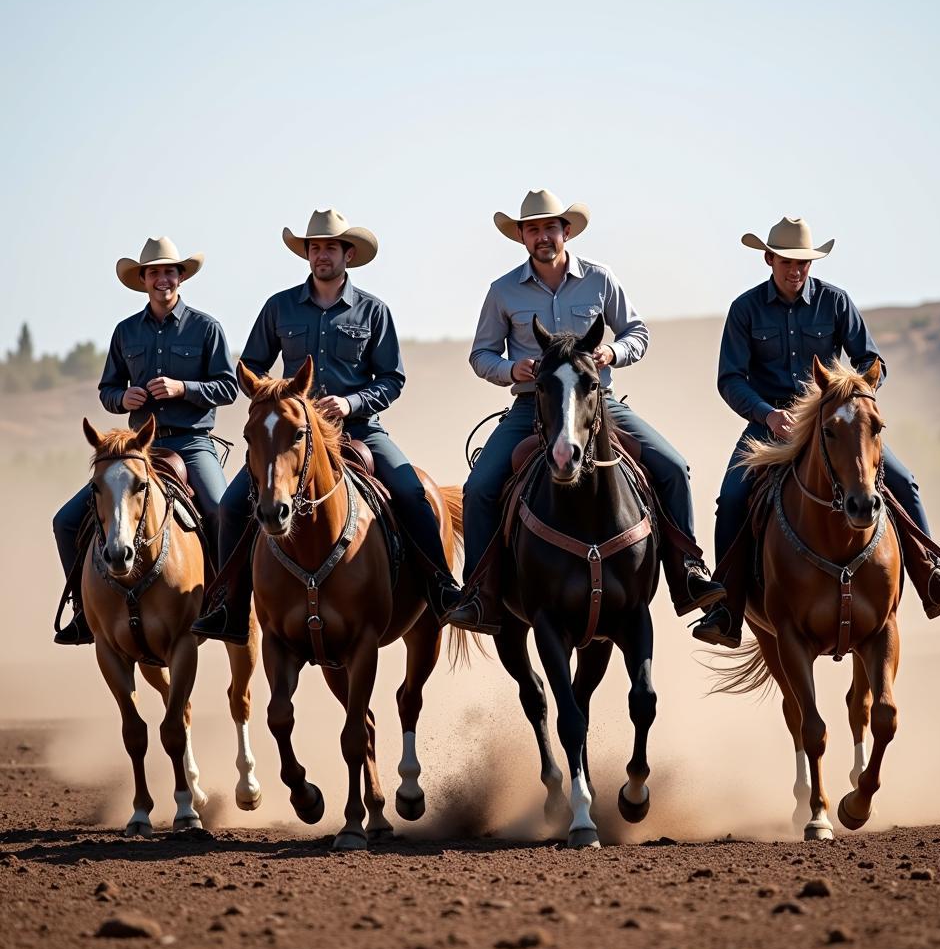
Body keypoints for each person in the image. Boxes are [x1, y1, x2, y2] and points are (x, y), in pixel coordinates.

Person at [443, 188, 724, 635]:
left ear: (566, 231)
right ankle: (481, 595)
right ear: (521, 237)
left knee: (673, 466)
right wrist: (511, 367)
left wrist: (612, 353)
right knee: (479, 487)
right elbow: (481, 355)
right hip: (530, 408)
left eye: (549, 227)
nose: (542, 237)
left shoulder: (600, 278)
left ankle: (686, 574)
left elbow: (637, 332)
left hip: (598, 405)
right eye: (532, 229)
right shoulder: (502, 292)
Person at [692, 216, 940, 648]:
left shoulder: (836, 302)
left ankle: (931, 576)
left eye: (804, 262)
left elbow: (871, 362)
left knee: (904, 482)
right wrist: (768, 414)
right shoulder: (745, 309)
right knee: (731, 498)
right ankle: (727, 608)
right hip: (772, 427)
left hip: (837, 425)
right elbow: (730, 379)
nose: (796, 270)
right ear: (769, 259)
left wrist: (853, 398)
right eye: (788, 261)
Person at [192, 208, 464, 641]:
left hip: (359, 430)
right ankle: (230, 606)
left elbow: (393, 379)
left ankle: (442, 589)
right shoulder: (278, 307)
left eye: (330, 248)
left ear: (348, 254)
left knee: (414, 493)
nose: (321, 255)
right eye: (314, 248)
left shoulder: (374, 311)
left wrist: (351, 401)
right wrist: (278, 399)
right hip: (291, 437)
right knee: (230, 507)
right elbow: (253, 368)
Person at [52, 237, 237, 645]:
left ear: (181, 277)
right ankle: (84, 611)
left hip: (192, 442)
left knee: (224, 514)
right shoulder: (126, 331)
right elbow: (108, 389)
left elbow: (228, 387)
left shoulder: (207, 328)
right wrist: (123, 398)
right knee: (65, 521)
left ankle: (229, 604)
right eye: (153, 272)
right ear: (143, 280)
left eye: (169, 271)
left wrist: (182, 388)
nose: (162, 279)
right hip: (137, 449)